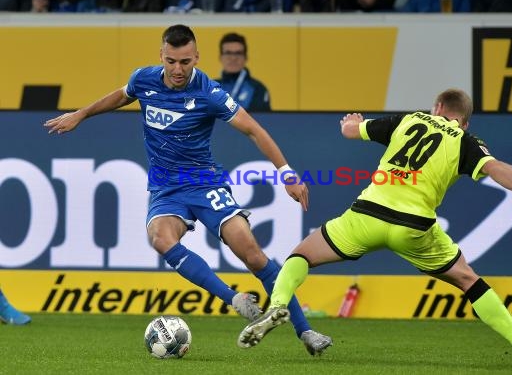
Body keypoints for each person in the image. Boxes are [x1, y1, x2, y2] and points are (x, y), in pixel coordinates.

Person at [44, 24, 332, 356]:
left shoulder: (209, 92)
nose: (178, 70)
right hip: (167, 189)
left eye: (185, 61)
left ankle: (306, 331)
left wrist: (286, 173)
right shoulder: (144, 79)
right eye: (171, 61)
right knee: (161, 238)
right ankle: (233, 299)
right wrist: (81, 114)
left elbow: (253, 130)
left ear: (196, 56)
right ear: (161, 57)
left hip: (205, 183)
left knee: (250, 252)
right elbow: (121, 96)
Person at [237, 88, 512, 363]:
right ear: (464, 121)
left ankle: (276, 305)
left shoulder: (409, 119)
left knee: (301, 256)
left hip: (367, 215)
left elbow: (350, 130)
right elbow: (495, 167)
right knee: (469, 280)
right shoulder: (466, 141)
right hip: (413, 227)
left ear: (437, 107)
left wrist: (352, 121)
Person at [214, 32, 271, 112]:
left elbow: (261, 120)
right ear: (220, 57)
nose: (233, 58)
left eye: (238, 53)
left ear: (246, 58)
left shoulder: (258, 89)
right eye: (228, 53)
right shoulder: (210, 88)